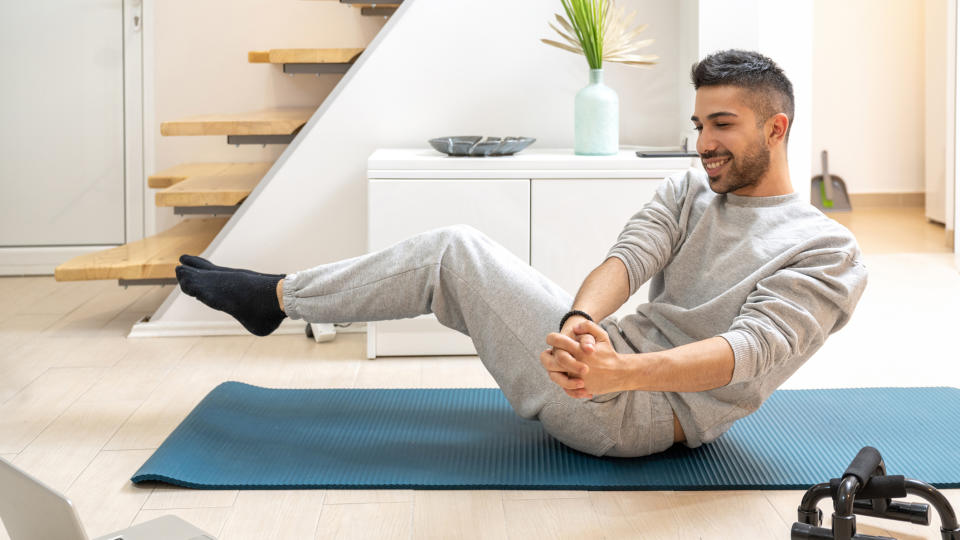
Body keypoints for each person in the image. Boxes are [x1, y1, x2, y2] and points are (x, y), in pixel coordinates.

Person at [175, 49, 868, 458]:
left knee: (453, 254)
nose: (703, 142)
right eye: (698, 125)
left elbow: (749, 350)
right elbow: (628, 259)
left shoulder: (825, 249)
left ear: (775, 129)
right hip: (605, 366)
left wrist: (622, 374)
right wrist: (577, 326)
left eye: (723, 125)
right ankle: (275, 298)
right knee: (453, 268)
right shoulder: (692, 191)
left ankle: (273, 299)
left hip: (649, 414)